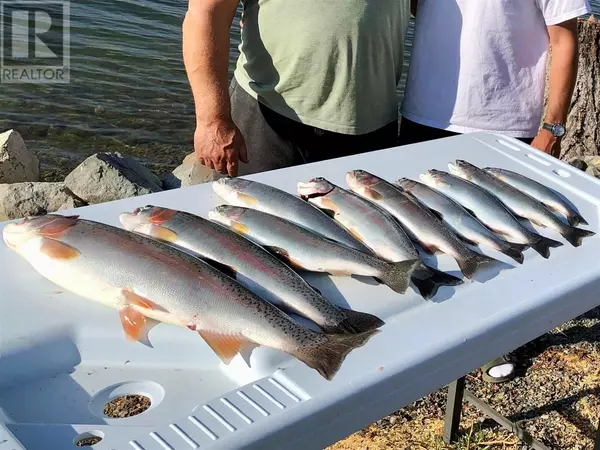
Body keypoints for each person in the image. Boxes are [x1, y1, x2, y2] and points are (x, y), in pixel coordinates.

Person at [400, 0, 591, 383]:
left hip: (504, 122)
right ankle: (426, 328)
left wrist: (552, 128)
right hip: (423, 110)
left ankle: (497, 339)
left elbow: (565, 38)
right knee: (422, 229)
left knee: (500, 233)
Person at [182, 0, 411, 177]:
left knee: (358, 236)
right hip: (270, 120)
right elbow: (205, 17)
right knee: (250, 228)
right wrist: (213, 120)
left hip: (372, 124)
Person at [399, 0, 591, 159]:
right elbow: (417, 8)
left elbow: (563, 42)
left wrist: (552, 129)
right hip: (421, 114)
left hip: (504, 127)